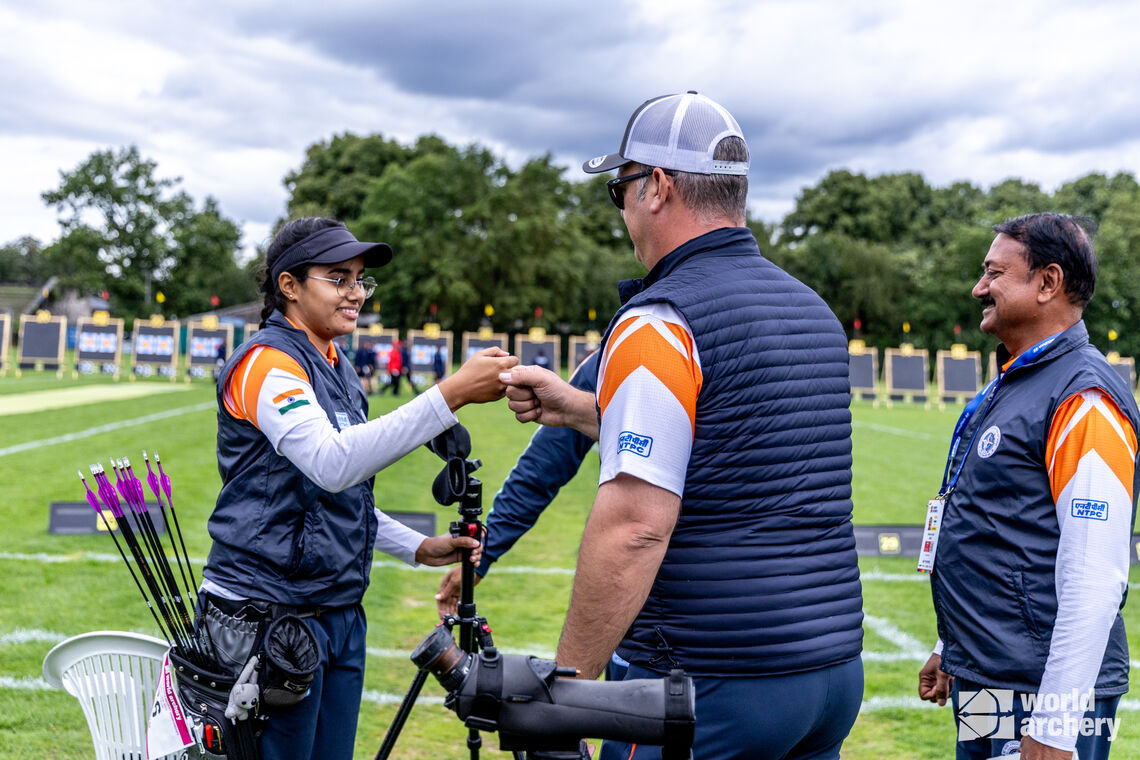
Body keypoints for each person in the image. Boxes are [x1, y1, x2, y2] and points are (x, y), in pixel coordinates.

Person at [500, 92, 864, 760]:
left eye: (619, 190)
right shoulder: (813, 309)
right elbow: (730, 442)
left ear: (659, 186)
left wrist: (566, 697)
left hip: (707, 676)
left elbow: (634, 528)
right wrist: (580, 409)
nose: (621, 211)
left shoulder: (660, 318)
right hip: (830, 672)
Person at [198, 216, 517, 760]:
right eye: (338, 278)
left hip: (339, 609)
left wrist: (418, 547)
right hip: (267, 613)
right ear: (289, 285)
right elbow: (332, 464)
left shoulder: (338, 364)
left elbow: (340, 498)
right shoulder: (266, 363)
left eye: (360, 280)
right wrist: (451, 394)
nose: (356, 293)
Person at [917, 213, 1140, 760]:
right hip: (989, 670)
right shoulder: (1018, 380)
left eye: (994, 273)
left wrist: (1057, 727)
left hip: (1041, 693)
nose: (980, 288)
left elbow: (1093, 575)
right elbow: (1002, 529)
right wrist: (954, 645)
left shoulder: (1084, 398)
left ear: (1048, 282)